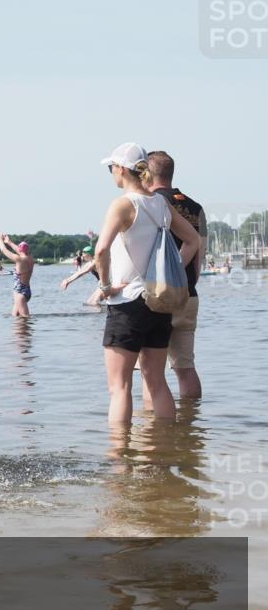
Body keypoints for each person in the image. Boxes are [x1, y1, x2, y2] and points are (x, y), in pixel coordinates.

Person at [94, 142, 199, 424]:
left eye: (111, 168)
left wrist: (105, 288)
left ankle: (119, 459)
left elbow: (101, 250)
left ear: (121, 170)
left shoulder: (123, 205)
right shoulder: (161, 204)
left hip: (127, 303)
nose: (111, 173)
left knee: (119, 387)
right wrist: (171, 269)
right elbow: (193, 240)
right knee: (157, 382)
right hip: (157, 302)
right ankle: (168, 447)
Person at [142, 150, 206, 400]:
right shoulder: (195, 207)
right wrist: (187, 282)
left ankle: (154, 430)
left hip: (155, 295)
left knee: (150, 371)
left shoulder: (148, 202)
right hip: (188, 293)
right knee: (186, 367)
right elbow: (199, 254)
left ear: (146, 173)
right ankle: (191, 424)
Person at [0, 234, 33, 316]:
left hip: (20, 294)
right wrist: (9, 242)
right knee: (15, 317)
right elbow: (20, 250)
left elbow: (3, 250)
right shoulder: (30, 259)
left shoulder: (19, 259)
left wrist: (0, 239)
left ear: (20, 251)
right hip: (26, 291)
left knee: (25, 319)